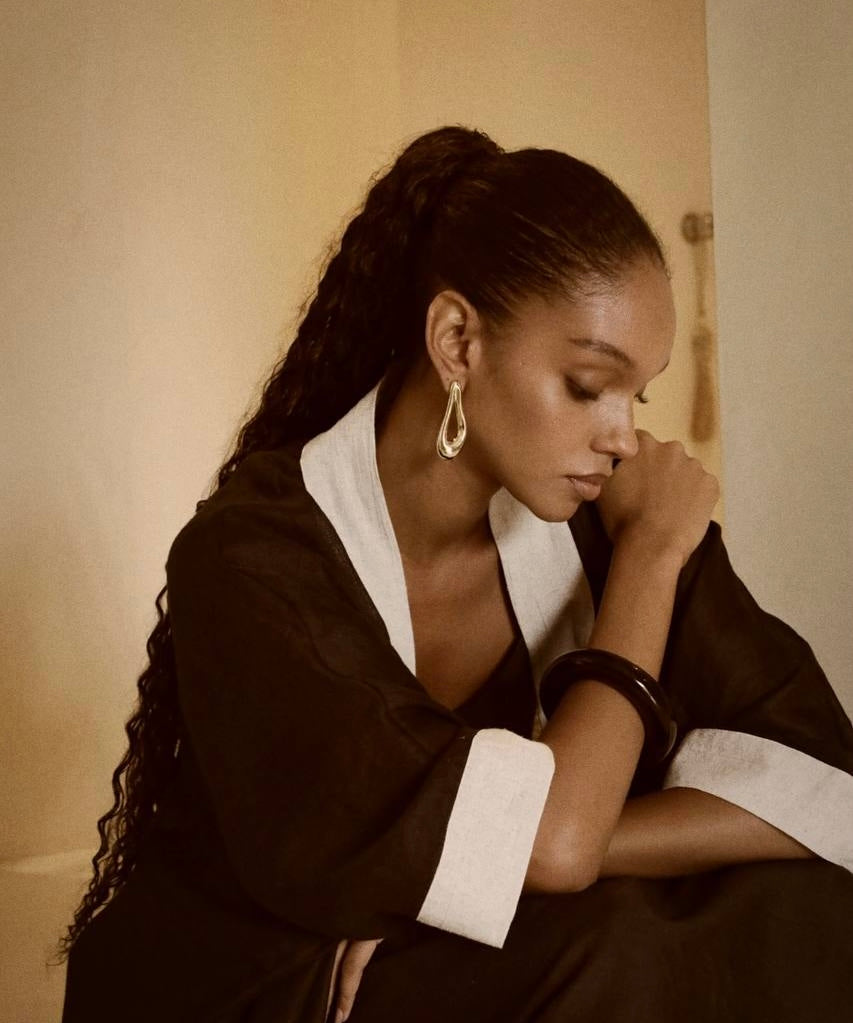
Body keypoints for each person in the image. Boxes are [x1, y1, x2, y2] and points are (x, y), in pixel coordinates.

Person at [61, 126, 853, 1022]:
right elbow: (555, 844)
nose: (623, 436)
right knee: (610, 946)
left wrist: (478, 873)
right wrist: (648, 560)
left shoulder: (603, 507)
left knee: (801, 909)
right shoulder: (252, 556)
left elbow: (820, 785)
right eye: (586, 384)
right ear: (456, 340)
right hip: (258, 973)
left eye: (636, 394)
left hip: (437, 949)